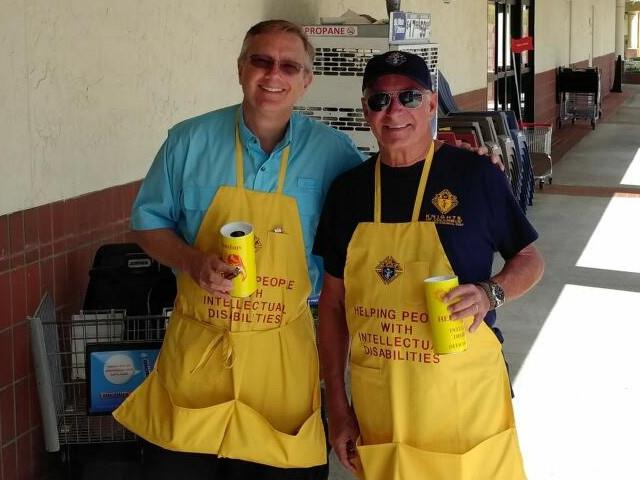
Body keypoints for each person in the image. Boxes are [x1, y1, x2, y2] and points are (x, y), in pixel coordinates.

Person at [112, 20, 364, 480]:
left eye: (289, 66)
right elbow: (147, 224)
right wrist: (191, 260)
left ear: (307, 80)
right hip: (198, 352)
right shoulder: (188, 142)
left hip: (283, 359)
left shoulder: (335, 154)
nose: (273, 75)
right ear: (240, 68)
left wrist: (462, 166)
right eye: (261, 61)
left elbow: (378, 219)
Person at [314, 50, 544, 480]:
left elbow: (529, 258)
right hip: (383, 403)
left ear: (433, 103)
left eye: (410, 97)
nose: (394, 110)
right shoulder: (348, 191)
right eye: (379, 99)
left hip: (464, 397)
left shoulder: (475, 175)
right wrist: (338, 406)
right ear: (365, 110)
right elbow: (332, 303)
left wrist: (489, 293)